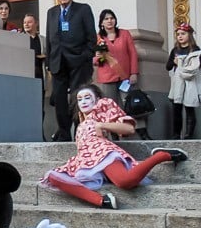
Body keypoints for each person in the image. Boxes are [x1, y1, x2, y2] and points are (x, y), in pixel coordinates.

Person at [41, 84, 187, 208]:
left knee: (125, 181)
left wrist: (102, 125)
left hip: (101, 152)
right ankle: (101, 200)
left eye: (87, 97)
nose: (83, 101)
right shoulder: (82, 119)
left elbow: (129, 129)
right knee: (54, 177)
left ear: (97, 99)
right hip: (85, 159)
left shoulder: (102, 105)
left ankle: (162, 155)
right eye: (80, 99)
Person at [46, 0, 97, 142]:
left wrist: (86, 55)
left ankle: (80, 131)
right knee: (60, 100)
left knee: (78, 97)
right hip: (58, 61)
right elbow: (49, 39)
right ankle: (64, 133)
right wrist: (49, 61)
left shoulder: (83, 9)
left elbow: (91, 36)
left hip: (78, 61)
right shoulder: (52, 12)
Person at [93, 9, 139, 107]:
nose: (109, 21)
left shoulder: (125, 34)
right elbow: (92, 58)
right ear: (102, 22)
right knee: (110, 106)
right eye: (106, 19)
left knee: (129, 104)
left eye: (112, 18)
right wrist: (97, 58)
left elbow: (133, 53)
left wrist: (134, 73)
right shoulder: (98, 38)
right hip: (107, 76)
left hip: (125, 76)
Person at [166, 23, 201, 139]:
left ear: (189, 35)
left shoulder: (195, 50)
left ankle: (188, 135)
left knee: (189, 107)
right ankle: (176, 134)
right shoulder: (175, 50)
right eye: (178, 34)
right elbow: (168, 66)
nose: (180, 36)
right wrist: (174, 62)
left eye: (183, 34)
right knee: (177, 107)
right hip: (178, 81)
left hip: (190, 81)